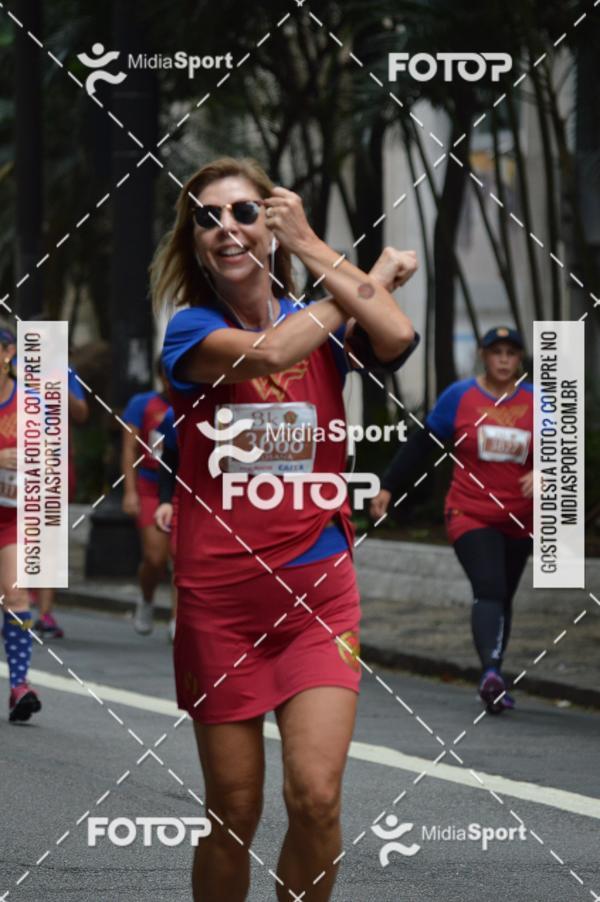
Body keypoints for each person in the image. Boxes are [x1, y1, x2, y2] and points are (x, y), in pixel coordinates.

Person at [154, 155, 418, 902]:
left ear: (271, 225)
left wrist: (311, 247)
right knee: (234, 812)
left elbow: (396, 334)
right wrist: (366, 277)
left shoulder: (316, 311)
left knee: (317, 799)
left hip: (316, 597)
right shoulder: (190, 331)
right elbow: (272, 351)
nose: (226, 227)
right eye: (207, 218)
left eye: (244, 212)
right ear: (194, 242)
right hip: (220, 606)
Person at [370, 326, 533, 714]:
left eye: (511, 352)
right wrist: (388, 486)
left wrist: (547, 472)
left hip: (521, 519)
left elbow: (566, 453)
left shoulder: (538, 402)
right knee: (490, 587)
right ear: (483, 356)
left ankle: (494, 672)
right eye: (496, 352)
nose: (504, 359)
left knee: (503, 596)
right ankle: (490, 674)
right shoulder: (459, 397)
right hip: (469, 512)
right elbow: (421, 444)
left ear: (520, 359)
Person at [0, 325, 42, 722]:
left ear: (8, 352)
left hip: (12, 515)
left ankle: (19, 686)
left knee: (16, 596)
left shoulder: (30, 403)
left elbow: (48, 458)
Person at [34, 366, 89, 638]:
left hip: (54, 464)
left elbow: (81, 413)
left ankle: (44, 614)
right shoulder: (12, 367)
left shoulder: (64, 373)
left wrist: (58, 388)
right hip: (15, 461)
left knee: (50, 537)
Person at [121, 361, 172, 635]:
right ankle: (147, 598)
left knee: (183, 559)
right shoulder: (142, 404)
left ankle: (178, 621)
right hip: (151, 484)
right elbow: (129, 448)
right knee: (155, 558)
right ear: (161, 375)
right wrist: (130, 492)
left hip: (184, 488)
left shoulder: (197, 401)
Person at [154, 405, 179, 642]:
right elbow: (168, 459)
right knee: (182, 557)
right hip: (188, 499)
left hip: (237, 499)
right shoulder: (175, 413)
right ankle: (177, 618)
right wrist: (165, 500)